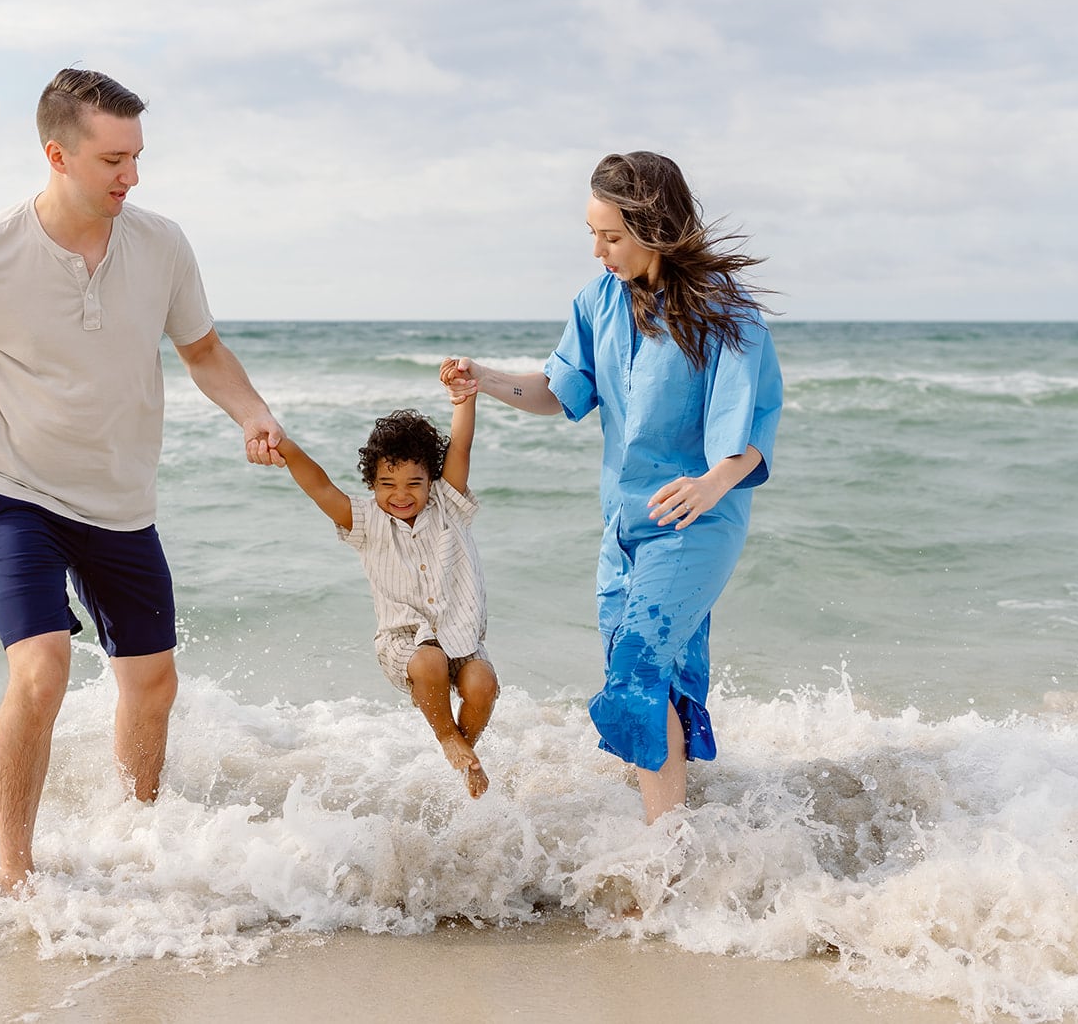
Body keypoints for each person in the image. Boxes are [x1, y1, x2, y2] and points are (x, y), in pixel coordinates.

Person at [0, 68, 285, 894]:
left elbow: (202, 350)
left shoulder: (161, 243)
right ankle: (13, 868)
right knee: (44, 667)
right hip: (12, 489)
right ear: (57, 155)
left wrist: (251, 412)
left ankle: (137, 839)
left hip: (121, 500)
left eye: (136, 156)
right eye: (112, 160)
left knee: (152, 681)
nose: (131, 175)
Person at [442, 151, 782, 824]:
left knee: (638, 675)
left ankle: (664, 862)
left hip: (696, 523)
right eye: (592, 234)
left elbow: (750, 428)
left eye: (613, 236)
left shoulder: (725, 312)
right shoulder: (597, 301)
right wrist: (483, 377)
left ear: (656, 227)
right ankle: (688, 824)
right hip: (622, 530)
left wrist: (713, 483)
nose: (598, 251)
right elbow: (561, 391)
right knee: (650, 673)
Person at [273, 400, 499, 798]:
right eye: (387, 484)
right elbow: (320, 487)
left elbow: (461, 445)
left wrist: (465, 398)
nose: (400, 495)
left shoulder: (449, 505)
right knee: (429, 661)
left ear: (431, 480)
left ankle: (466, 754)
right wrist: (287, 448)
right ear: (372, 483)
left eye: (414, 483)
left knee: (483, 684)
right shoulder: (365, 522)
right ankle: (447, 738)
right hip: (404, 644)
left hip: (461, 639)